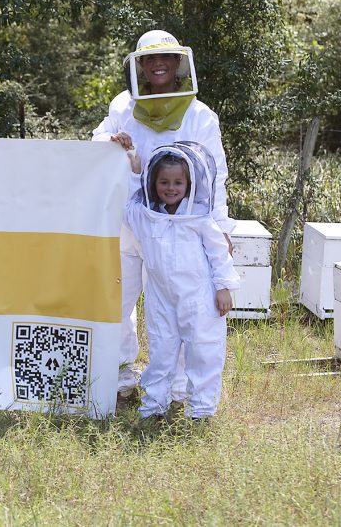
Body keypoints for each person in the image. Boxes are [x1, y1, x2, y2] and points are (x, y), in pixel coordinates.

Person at [91, 30, 235, 400]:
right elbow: (97, 143)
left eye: (166, 58)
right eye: (150, 59)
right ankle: (122, 373)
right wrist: (110, 141)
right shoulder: (123, 106)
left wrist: (220, 226)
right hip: (129, 223)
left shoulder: (201, 115)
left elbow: (214, 173)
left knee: (180, 308)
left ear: (178, 64)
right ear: (139, 66)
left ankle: (177, 385)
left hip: (180, 233)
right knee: (117, 301)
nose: (158, 64)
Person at [125, 142, 239, 420]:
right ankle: (154, 406)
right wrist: (134, 164)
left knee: (203, 351)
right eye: (164, 181)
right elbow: (128, 199)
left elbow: (218, 253)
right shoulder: (145, 216)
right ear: (153, 183)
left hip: (200, 297)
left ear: (189, 183)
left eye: (178, 182)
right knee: (162, 351)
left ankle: (201, 410)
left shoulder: (199, 217)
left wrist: (223, 288)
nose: (171, 187)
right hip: (160, 297)